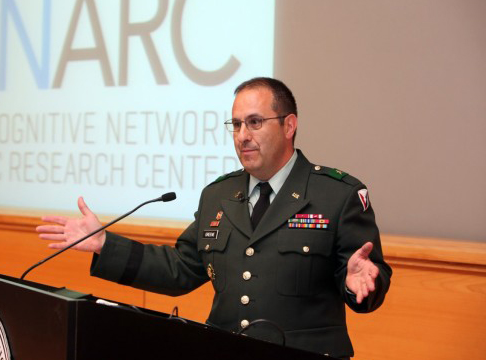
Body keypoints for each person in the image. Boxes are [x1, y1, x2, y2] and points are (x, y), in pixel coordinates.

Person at [36, 77, 391, 359]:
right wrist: (104, 244)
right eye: (235, 125)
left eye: (254, 122)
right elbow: (180, 268)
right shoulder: (219, 196)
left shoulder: (337, 195)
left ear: (289, 125)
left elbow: (366, 281)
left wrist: (359, 282)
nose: (242, 136)